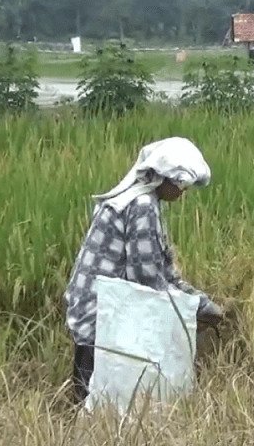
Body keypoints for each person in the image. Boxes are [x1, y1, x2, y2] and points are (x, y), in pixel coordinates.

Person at [63, 136, 224, 403]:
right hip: (101, 318)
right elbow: (147, 279)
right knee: (96, 401)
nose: (182, 194)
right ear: (167, 179)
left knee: (92, 399)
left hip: (95, 310)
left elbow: (164, 270)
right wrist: (194, 311)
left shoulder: (135, 199)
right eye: (182, 186)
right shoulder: (142, 206)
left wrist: (199, 301)